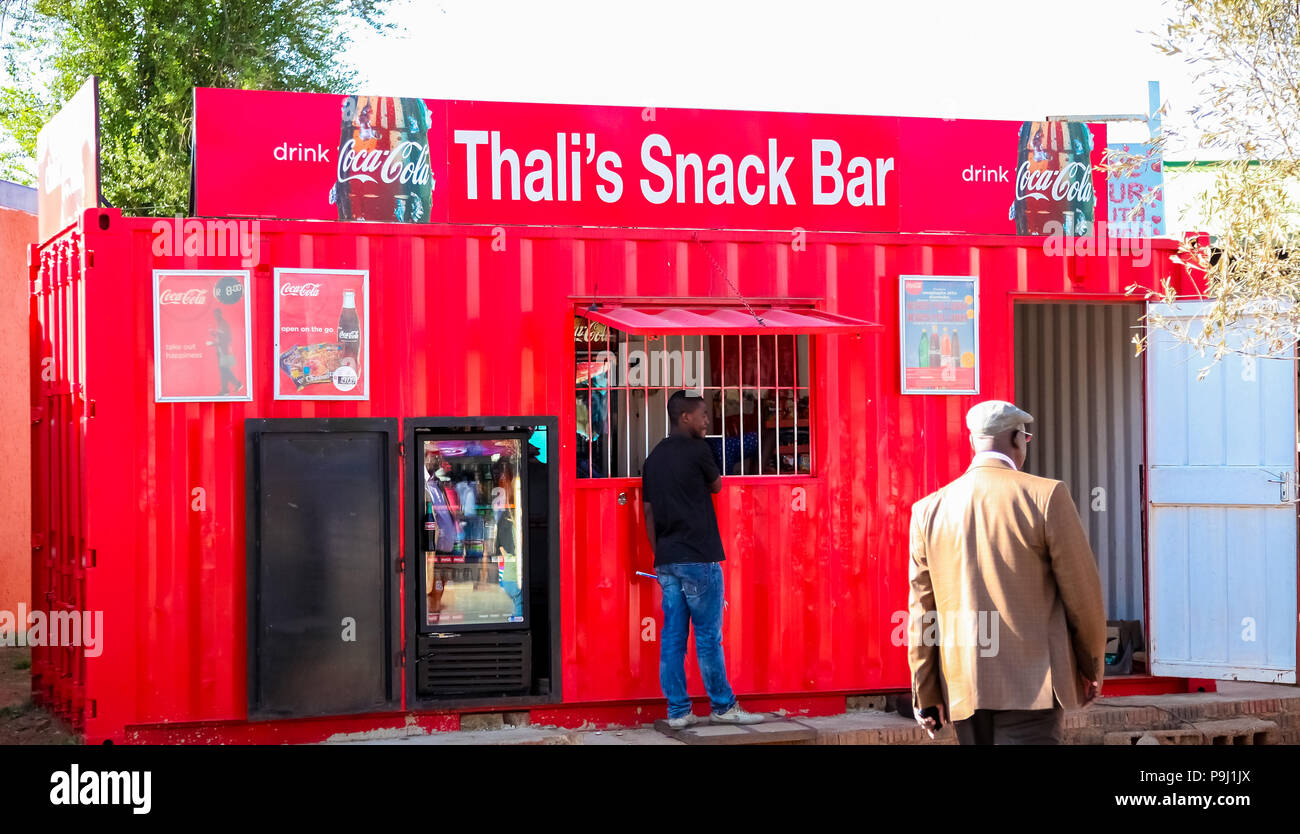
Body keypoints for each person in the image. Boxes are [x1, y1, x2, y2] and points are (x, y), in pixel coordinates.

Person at [907, 400, 1107, 745]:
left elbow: (923, 613)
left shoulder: (928, 510)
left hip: (963, 687)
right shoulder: (1046, 496)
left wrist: (926, 693)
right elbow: (1082, 596)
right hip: (1034, 687)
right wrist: (1091, 669)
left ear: (973, 443)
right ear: (1018, 439)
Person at [642, 390, 765, 728]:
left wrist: (661, 553)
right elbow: (717, 486)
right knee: (708, 637)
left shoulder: (653, 458)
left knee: (672, 638)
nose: (707, 421)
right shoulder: (698, 449)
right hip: (699, 557)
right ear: (685, 417)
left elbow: (648, 511)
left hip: (667, 560)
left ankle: (678, 712)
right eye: (702, 416)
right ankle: (723, 706)